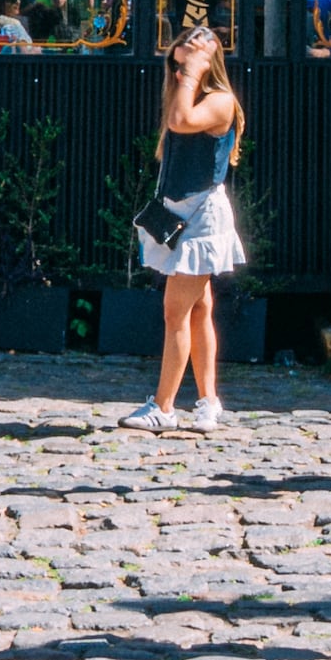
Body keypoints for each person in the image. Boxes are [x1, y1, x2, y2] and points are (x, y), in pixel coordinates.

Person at [124, 23, 248, 430]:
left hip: (201, 216)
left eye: (188, 63)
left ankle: (163, 408)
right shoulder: (193, 94)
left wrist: (193, 71)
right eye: (176, 66)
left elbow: (179, 121)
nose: (179, 74)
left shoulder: (220, 100)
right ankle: (209, 402)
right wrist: (185, 74)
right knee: (198, 310)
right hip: (183, 211)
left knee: (175, 310)